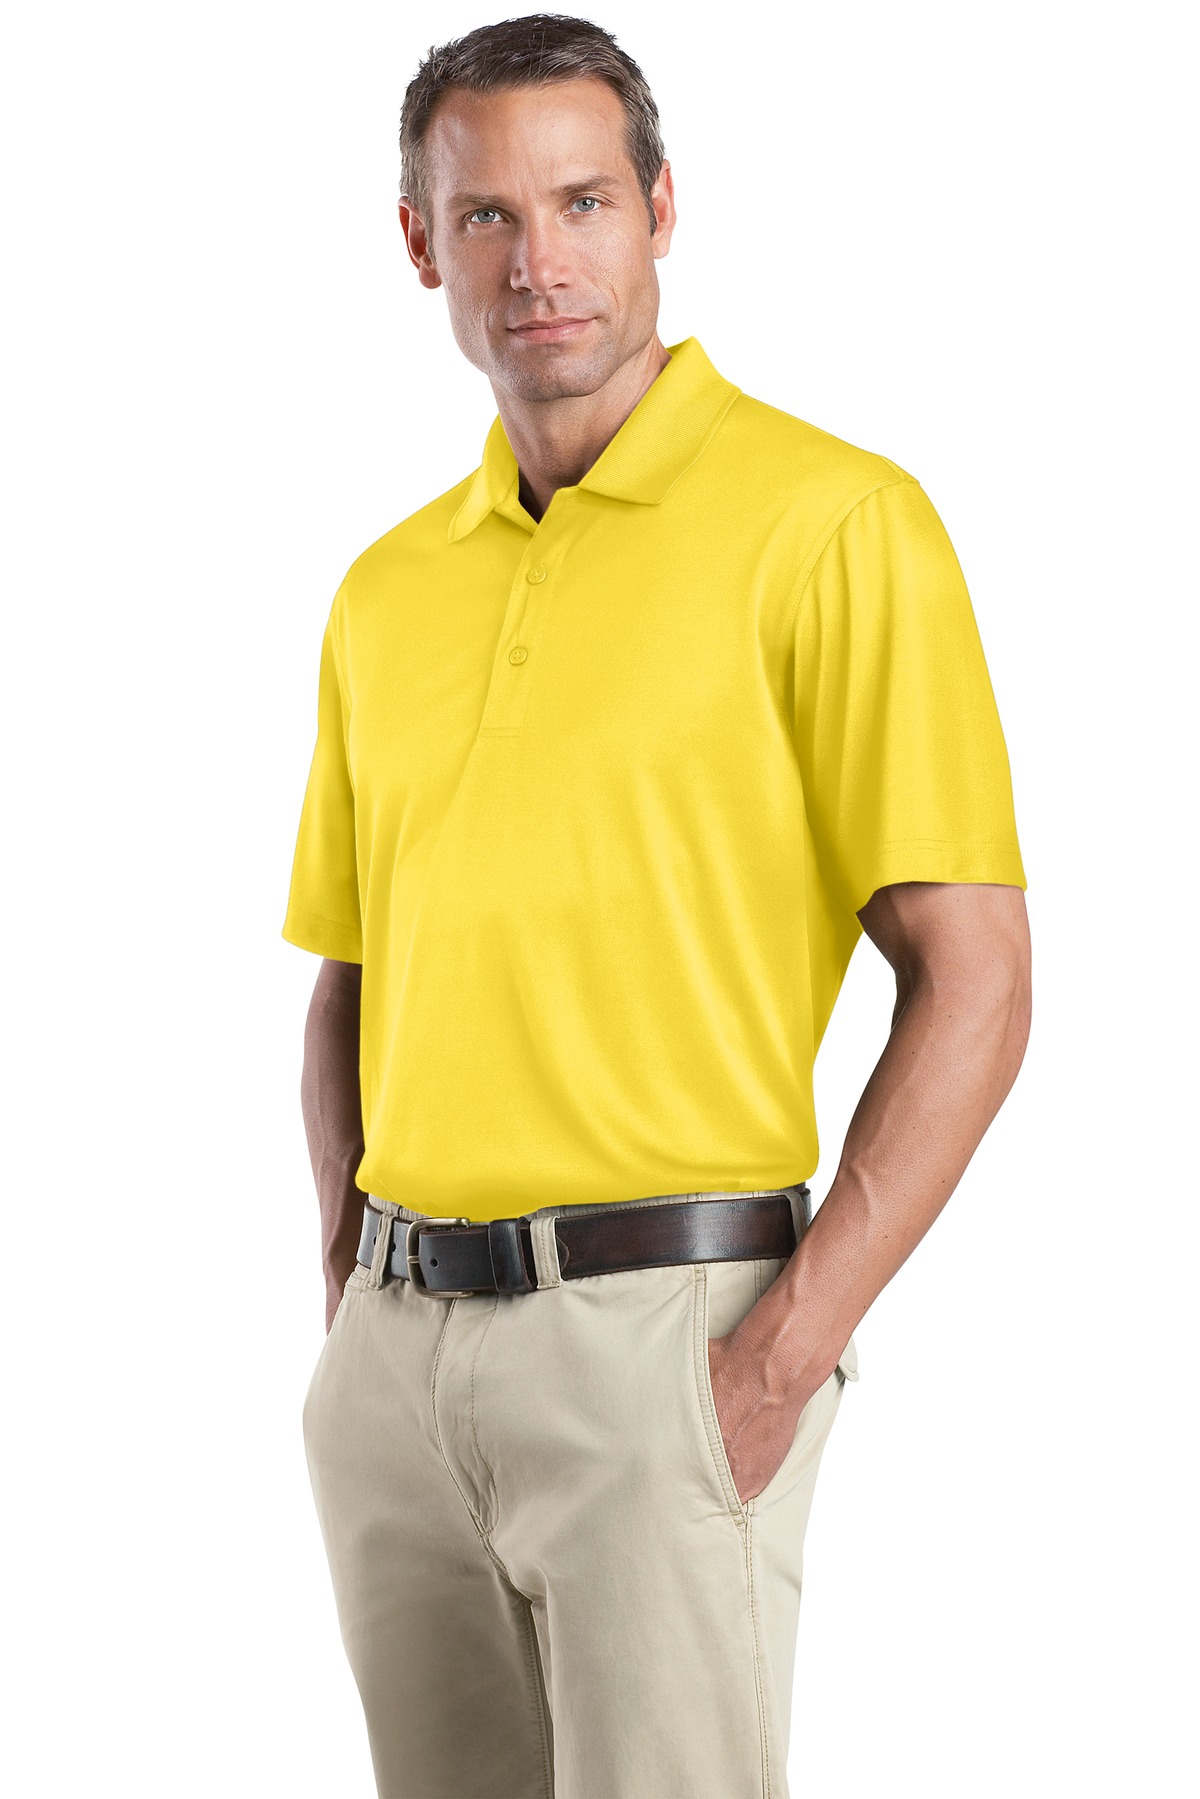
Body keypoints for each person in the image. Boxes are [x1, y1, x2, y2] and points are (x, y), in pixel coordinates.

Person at [281, 14, 1031, 1798]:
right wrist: (353, 1301)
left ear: (663, 209)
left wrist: (778, 1359)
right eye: (486, 215)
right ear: (420, 244)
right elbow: (353, 975)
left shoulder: (835, 524)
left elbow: (979, 980)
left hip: (665, 1347)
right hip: (401, 1365)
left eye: (584, 202)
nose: (538, 262)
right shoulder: (385, 591)